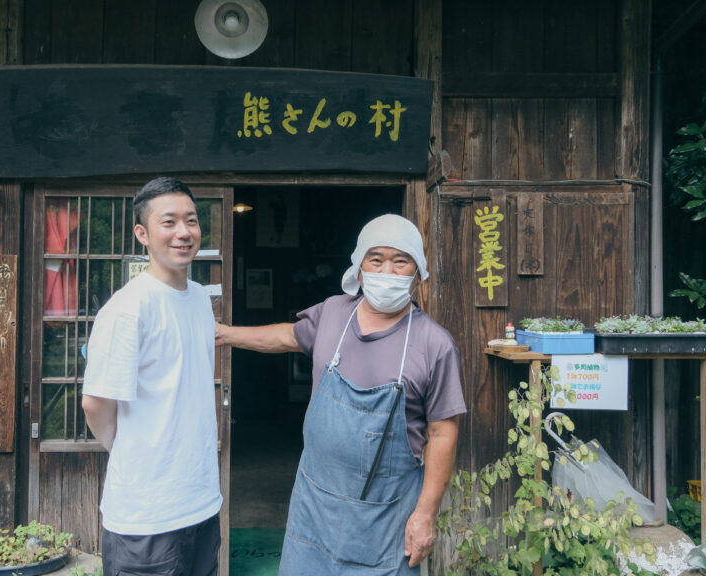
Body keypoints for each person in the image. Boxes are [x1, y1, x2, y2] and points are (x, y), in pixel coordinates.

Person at [216, 214, 466, 575]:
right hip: (314, 506)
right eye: (376, 259)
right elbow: (287, 336)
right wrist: (226, 334)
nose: (387, 270)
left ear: (417, 272)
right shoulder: (334, 313)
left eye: (401, 261)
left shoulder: (434, 344)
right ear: (359, 269)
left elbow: (443, 433)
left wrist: (426, 514)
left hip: (384, 520)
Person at [82, 177, 221, 576]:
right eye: (169, 222)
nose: (184, 232)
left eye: (191, 221)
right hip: (146, 518)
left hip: (200, 502)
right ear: (142, 233)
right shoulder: (128, 308)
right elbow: (95, 403)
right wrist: (133, 453)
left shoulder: (197, 297)